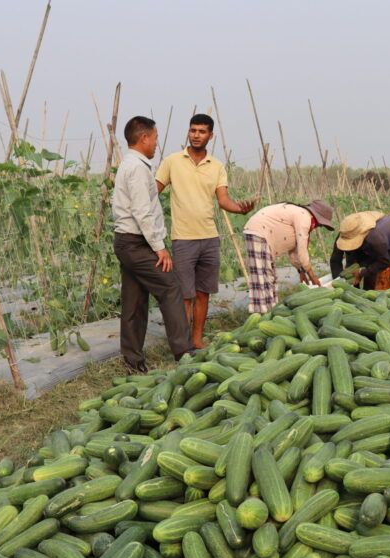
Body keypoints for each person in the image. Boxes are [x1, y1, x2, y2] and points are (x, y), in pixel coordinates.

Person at [156, 114, 256, 348]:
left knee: (203, 293)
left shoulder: (217, 166)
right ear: (188, 133)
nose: (196, 135)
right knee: (185, 295)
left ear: (211, 135)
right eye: (193, 131)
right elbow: (154, 191)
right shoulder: (172, 161)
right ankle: (182, 344)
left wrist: (241, 209)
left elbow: (223, 200)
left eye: (201, 131)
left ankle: (197, 339)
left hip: (209, 238)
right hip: (183, 238)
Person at [111, 116, 193, 374]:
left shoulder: (132, 165)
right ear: (144, 137)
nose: (157, 142)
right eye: (155, 137)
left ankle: (133, 361)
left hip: (129, 242)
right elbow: (141, 211)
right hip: (136, 243)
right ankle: (184, 353)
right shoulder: (136, 168)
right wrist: (159, 247)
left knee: (134, 301)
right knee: (171, 287)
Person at [242, 200, 335, 313]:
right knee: (261, 278)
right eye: (320, 224)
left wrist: (301, 271)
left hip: (263, 236)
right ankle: (262, 315)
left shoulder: (302, 217)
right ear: (317, 218)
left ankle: (272, 312)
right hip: (259, 232)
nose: (318, 227)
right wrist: (312, 275)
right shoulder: (303, 216)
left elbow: (295, 251)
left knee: (270, 277)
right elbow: (302, 249)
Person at [330, 211, 390, 290]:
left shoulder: (375, 238)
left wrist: (362, 273)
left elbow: (383, 261)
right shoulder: (346, 233)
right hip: (385, 244)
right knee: (383, 283)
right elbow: (336, 259)